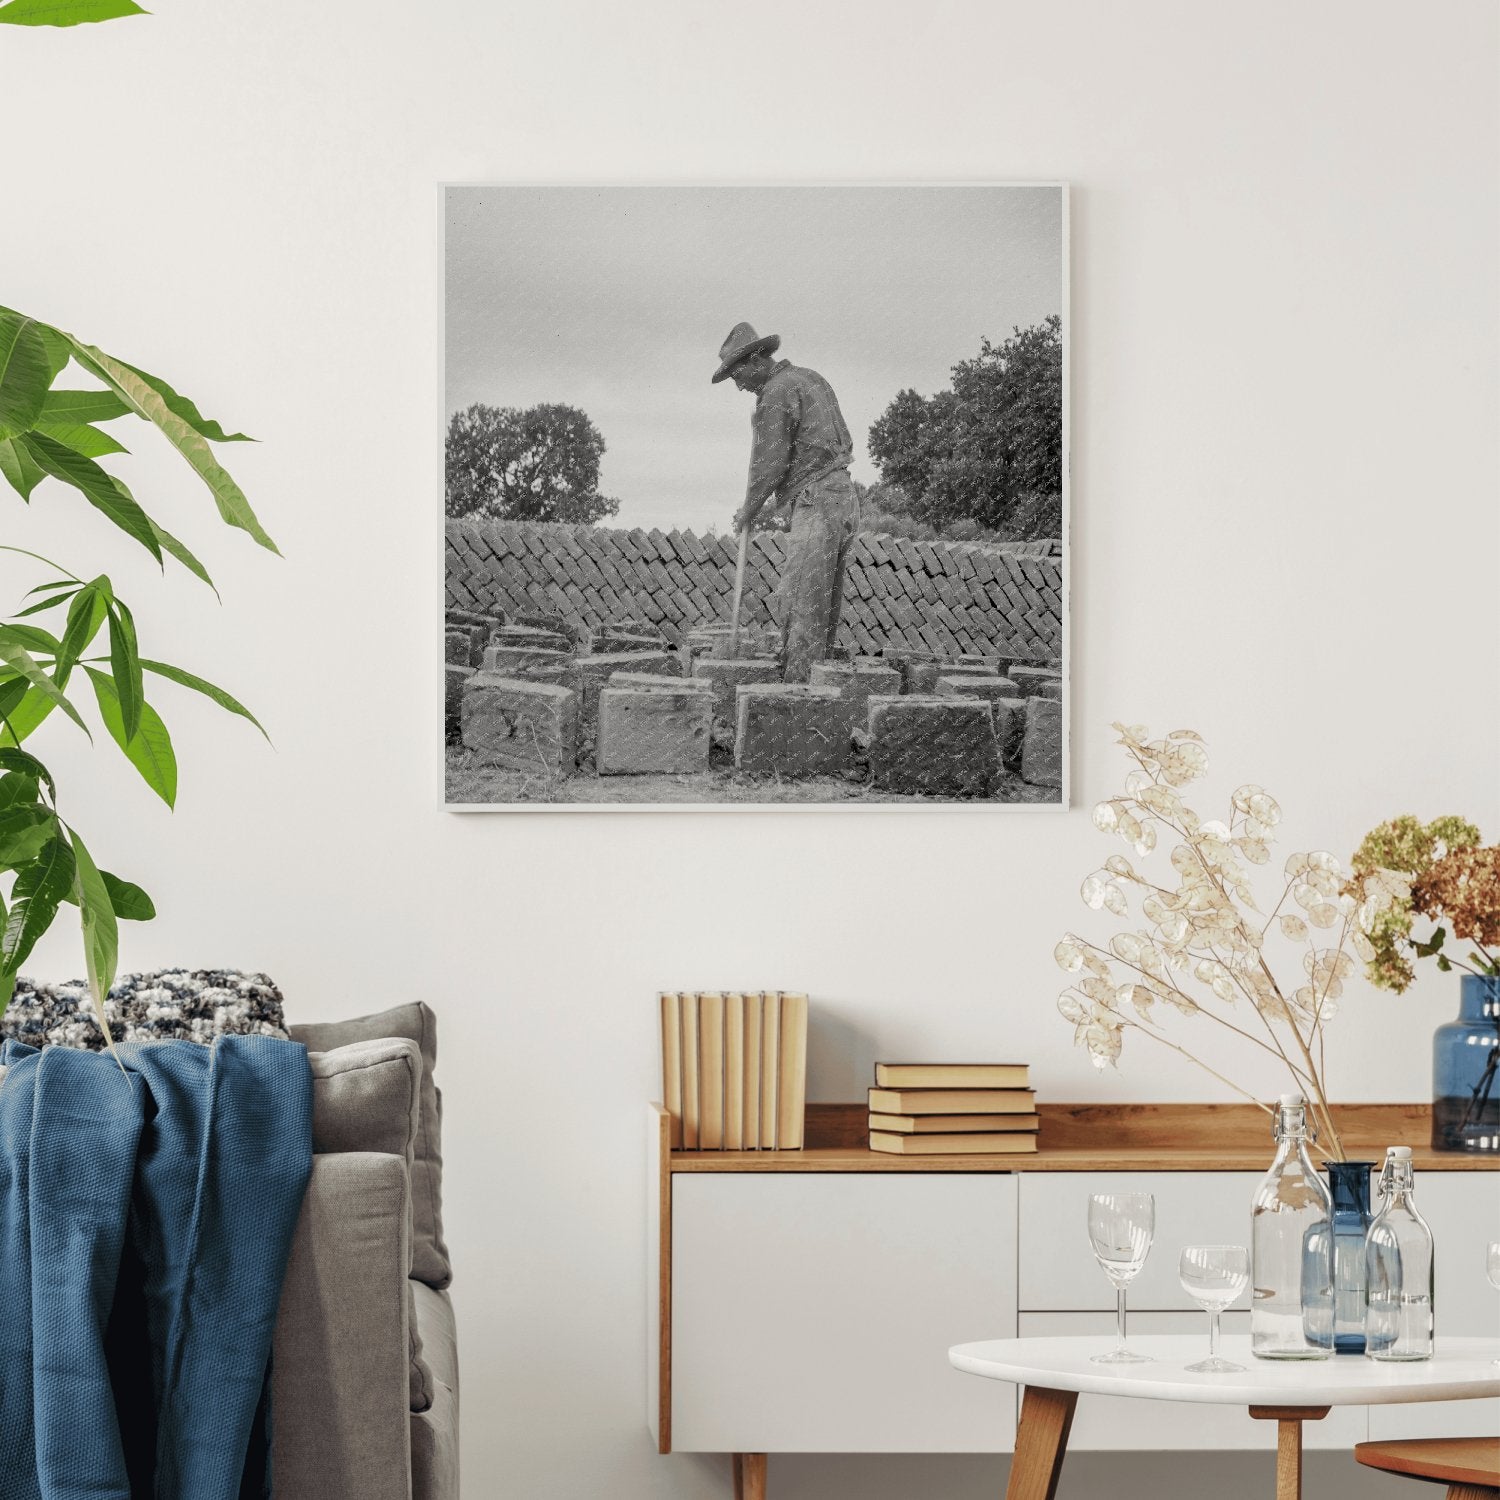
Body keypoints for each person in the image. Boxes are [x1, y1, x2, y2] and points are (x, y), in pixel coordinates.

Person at [712, 322, 860, 683]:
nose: (738, 384)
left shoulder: (775, 393)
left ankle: (794, 700)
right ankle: (818, 695)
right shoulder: (811, 379)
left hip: (817, 501)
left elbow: (771, 463)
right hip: (845, 497)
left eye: (738, 373)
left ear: (758, 358)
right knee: (824, 608)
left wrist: (748, 510)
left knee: (801, 604)